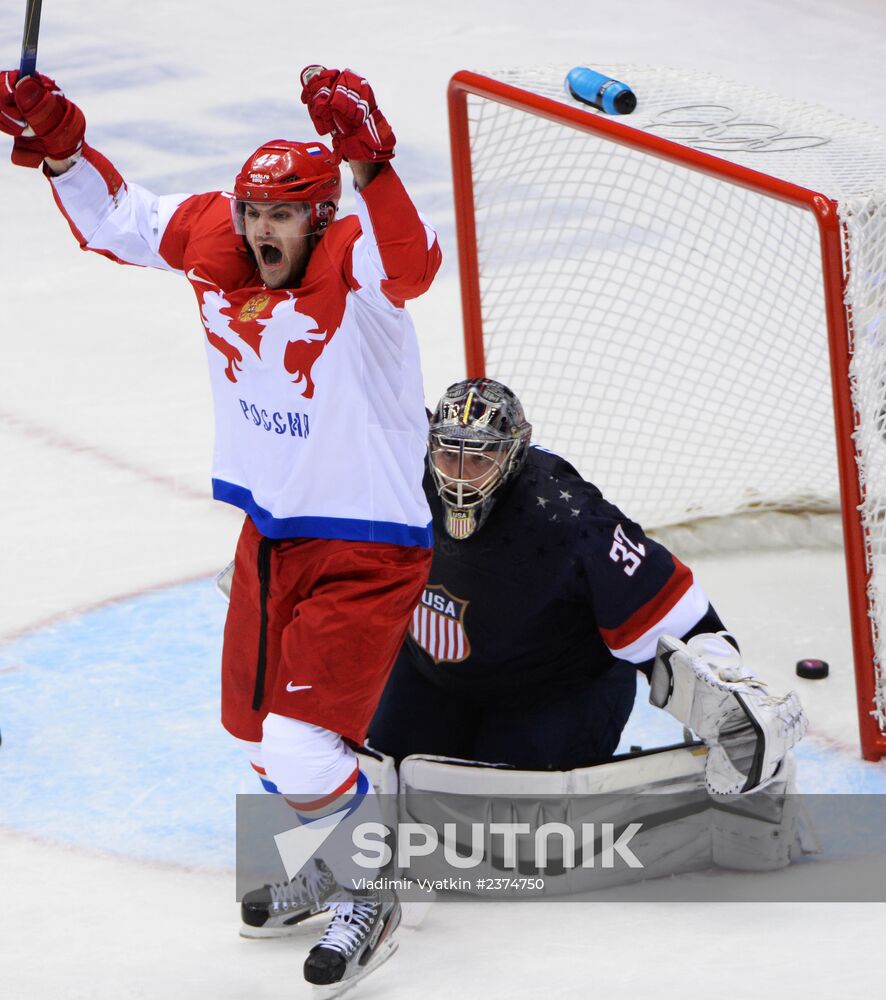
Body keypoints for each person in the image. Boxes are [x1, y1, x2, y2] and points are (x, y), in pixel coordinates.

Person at [0, 64, 440, 990]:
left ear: (318, 217)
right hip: (272, 533)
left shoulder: (355, 261)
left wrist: (372, 159)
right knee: (250, 729)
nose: (259, 228)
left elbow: (419, 263)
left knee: (300, 744)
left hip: (368, 544)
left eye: (281, 215)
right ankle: (333, 857)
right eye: (252, 211)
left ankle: (375, 886)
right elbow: (119, 221)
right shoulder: (219, 235)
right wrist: (64, 146)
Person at [368, 378, 807, 784]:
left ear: (514, 454)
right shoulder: (401, 474)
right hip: (433, 676)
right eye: (450, 454)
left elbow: (669, 612)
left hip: (553, 689)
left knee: (506, 815)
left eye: (481, 458)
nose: (461, 475)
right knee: (384, 778)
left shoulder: (566, 517)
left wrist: (731, 705)